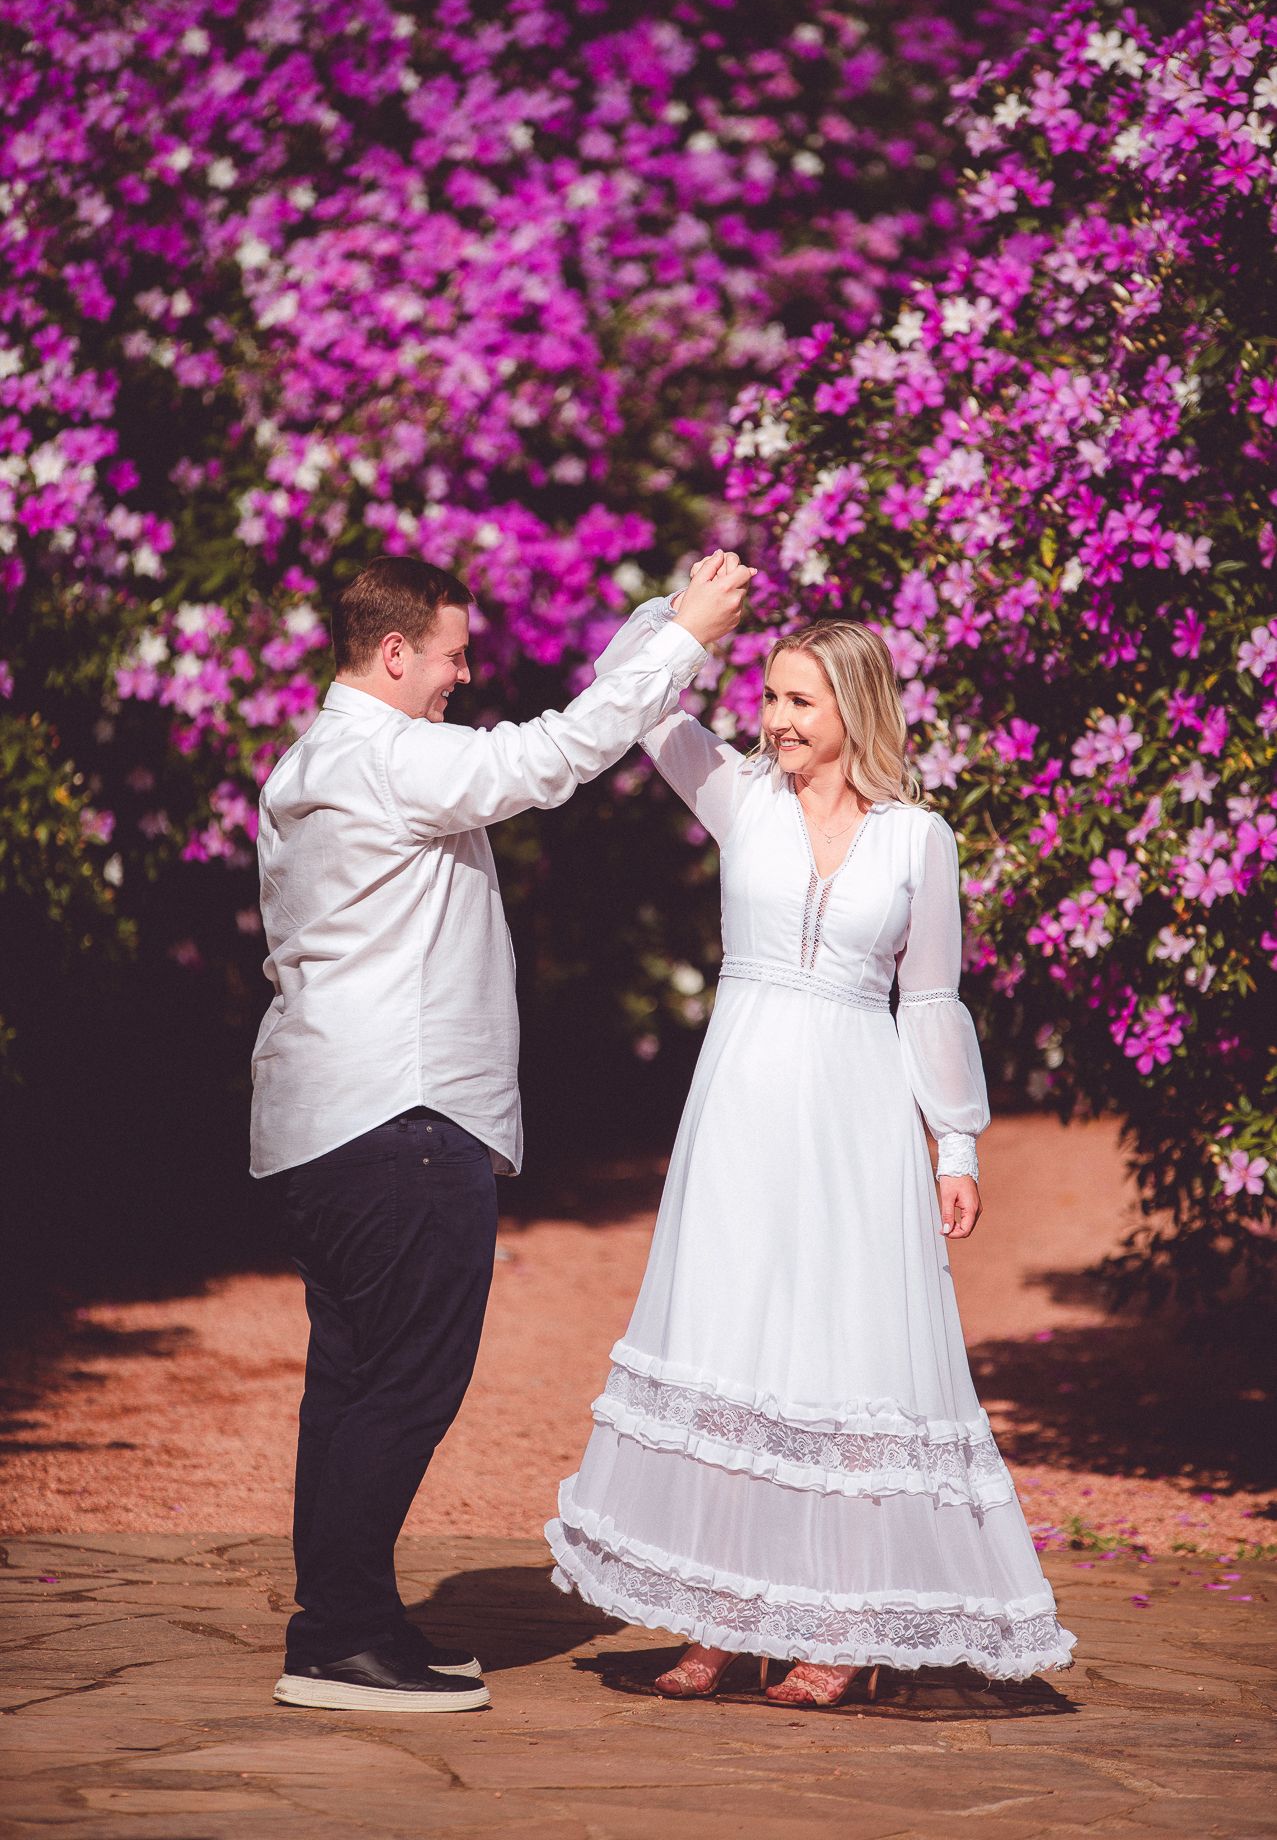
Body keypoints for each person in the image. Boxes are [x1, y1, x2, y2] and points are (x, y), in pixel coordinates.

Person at [547, 588, 1075, 1704]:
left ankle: (835, 1631)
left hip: (855, 1118)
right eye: (768, 695)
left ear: (854, 707)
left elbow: (929, 998)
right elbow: (628, 692)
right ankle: (713, 1619)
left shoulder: (915, 840)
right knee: (732, 1340)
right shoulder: (736, 794)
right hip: (739, 1107)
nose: (774, 717)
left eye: (797, 699)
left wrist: (956, 1148)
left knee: (838, 1353)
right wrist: (682, 610)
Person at [252, 549, 754, 1713]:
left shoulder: (315, 757)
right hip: (400, 1120)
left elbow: (557, 734)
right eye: (451, 655)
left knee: (352, 1385)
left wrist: (655, 628)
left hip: (330, 1122)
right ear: (393, 652)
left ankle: (349, 1619)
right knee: (406, 1388)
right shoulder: (387, 758)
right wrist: (682, 642)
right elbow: (555, 755)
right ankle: (337, 1643)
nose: (460, 678)